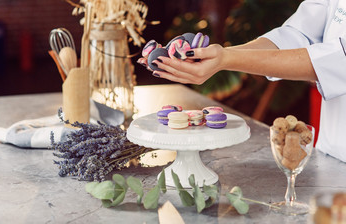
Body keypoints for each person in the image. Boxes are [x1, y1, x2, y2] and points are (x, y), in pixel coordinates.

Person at [137, 0, 346, 162]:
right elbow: (297, 34)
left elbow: (337, 60)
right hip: (331, 156)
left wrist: (225, 59)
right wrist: (217, 56)